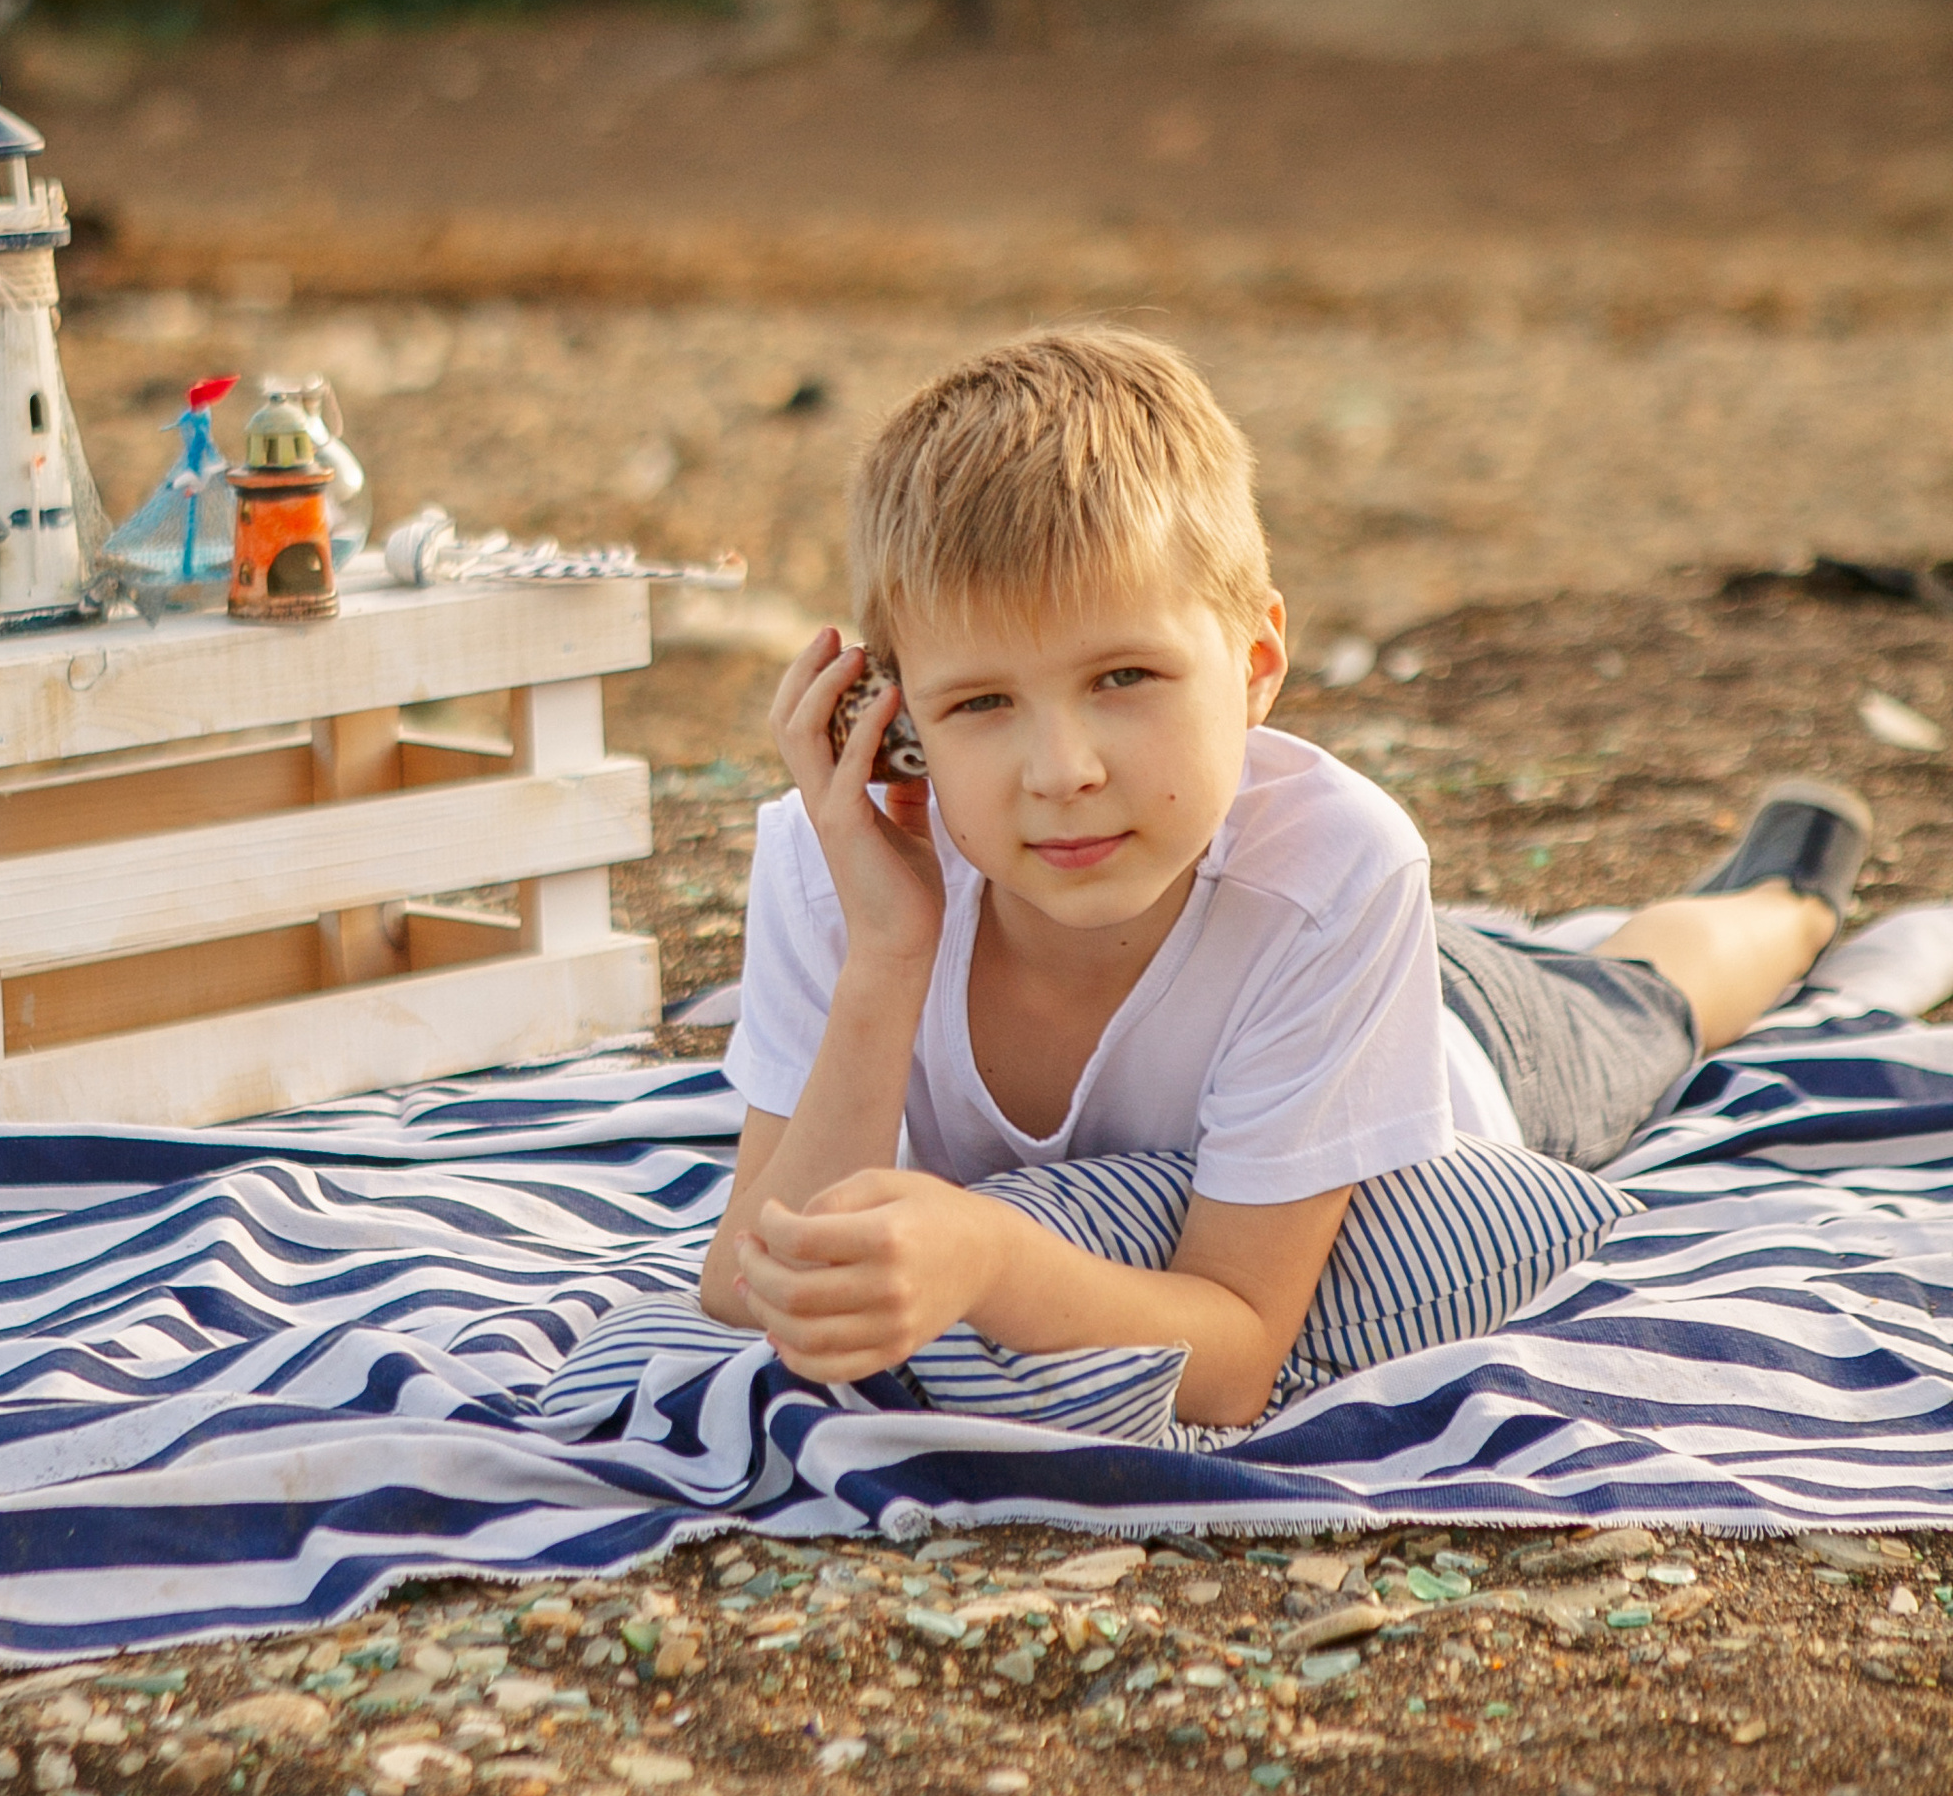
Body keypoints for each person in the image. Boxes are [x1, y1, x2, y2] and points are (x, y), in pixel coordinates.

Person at [699, 325, 1869, 1425]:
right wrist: (890, 947)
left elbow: (1239, 1353)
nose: (1061, 772)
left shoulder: (1341, 868)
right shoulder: (839, 862)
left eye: (1124, 679)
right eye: (981, 703)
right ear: (890, 719)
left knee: (1639, 998)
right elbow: (750, 1277)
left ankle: (1788, 898)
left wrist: (994, 1262)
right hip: (1268, 946)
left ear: (1254, 664)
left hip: (1463, 1041)